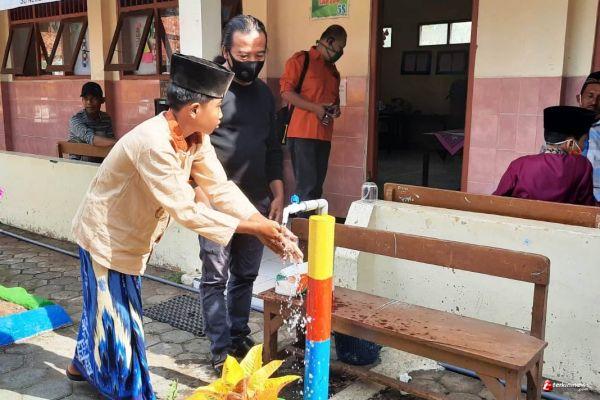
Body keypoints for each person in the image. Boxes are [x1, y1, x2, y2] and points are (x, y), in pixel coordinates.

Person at [66, 53, 301, 399]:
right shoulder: (153, 144)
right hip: (106, 239)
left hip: (128, 240)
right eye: (218, 107)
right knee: (121, 327)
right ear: (194, 109)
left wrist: (263, 223)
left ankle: (79, 366)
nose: (221, 115)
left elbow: (219, 188)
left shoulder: (195, 137)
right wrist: (256, 230)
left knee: (101, 308)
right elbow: (187, 210)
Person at [197, 15, 284, 373]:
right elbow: (190, 145)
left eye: (259, 55)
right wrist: (198, 191)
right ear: (226, 51)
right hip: (215, 202)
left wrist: (277, 190)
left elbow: (272, 146)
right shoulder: (210, 91)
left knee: (246, 274)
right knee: (215, 277)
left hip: (255, 203)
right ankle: (220, 350)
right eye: (244, 55)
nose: (252, 62)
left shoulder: (264, 94)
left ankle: (237, 333)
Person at [280, 24, 346, 204]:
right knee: (305, 188)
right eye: (340, 47)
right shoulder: (302, 60)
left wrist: (335, 110)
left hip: (324, 135)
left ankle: (312, 221)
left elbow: (335, 102)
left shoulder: (333, 71)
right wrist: (316, 108)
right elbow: (286, 93)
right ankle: (298, 221)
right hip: (302, 133)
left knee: (316, 188)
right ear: (329, 41)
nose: (341, 52)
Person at [493, 106, 596, 206]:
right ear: (570, 143)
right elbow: (587, 207)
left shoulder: (519, 164)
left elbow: (496, 200)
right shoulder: (582, 166)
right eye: (584, 140)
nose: (584, 145)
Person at [68, 82, 116, 162]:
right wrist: (120, 142)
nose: (89, 102)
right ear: (82, 100)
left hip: (101, 164)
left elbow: (110, 141)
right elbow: (91, 138)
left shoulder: (106, 118)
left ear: (102, 100)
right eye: (86, 98)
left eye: (94, 98)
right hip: (78, 165)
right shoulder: (76, 120)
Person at [578, 71, 600, 201]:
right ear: (579, 99)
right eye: (590, 96)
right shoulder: (563, 126)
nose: (594, 102)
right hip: (568, 197)